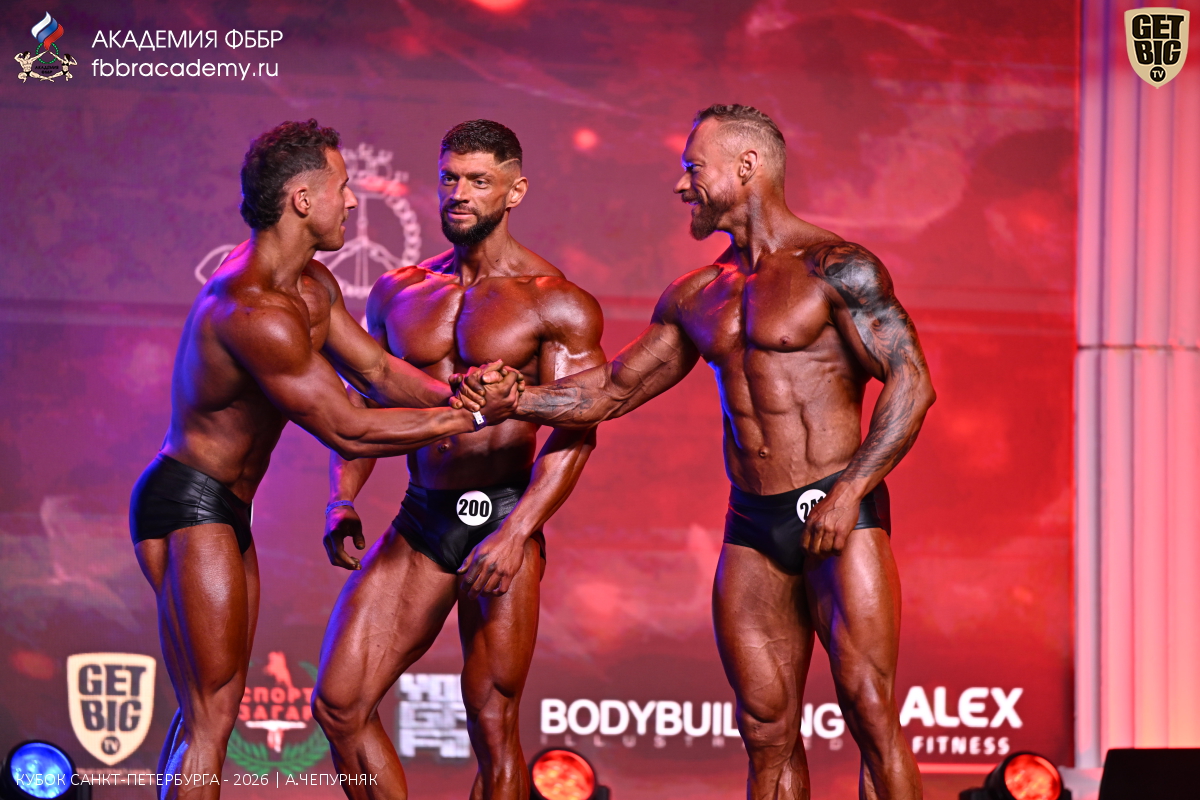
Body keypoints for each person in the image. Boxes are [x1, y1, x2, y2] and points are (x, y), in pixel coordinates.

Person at [461, 104, 935, 800]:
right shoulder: (698, 294)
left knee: (869, 710)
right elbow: (613, 390)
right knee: (766, 731)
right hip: (753, 524)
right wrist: (517, 400)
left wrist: (850, 490)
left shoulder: (836, 268)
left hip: (839, 506)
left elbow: (912, 383)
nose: (682, 185)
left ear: (747, 167)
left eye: (693, 168)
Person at [128, 119, 520, 800]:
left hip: (227, 508)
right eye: (342, 187)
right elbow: (349, 430)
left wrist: (461, 391)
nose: (353, 201)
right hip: (186, 502)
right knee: (211, 715)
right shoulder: (253, 310)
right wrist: (475, 416)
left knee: (209, 707)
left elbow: (377, 371)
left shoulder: (310, 285)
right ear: (303, 199)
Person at [311, 119, 605, 800]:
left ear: (514, 191)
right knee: (340, 703)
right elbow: (367, 404)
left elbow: (579, 426)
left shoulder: (553, 299)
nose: (459, 193)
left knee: (492, 721)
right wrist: (341, 496)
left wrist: (518, 533)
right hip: (423, 516)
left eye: (478, 181)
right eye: (449, 178)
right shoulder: (398, 290)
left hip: (503, 515)